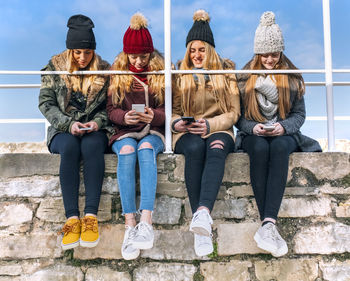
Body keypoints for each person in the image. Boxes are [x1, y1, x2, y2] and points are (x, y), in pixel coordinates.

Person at [236, 11, 322, 257]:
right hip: (254, 134)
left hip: (283, 133)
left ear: (281, 52)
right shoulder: (244, 78)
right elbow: (238, 118)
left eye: (274, 54)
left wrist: (284, 127)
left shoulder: (292, 78)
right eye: (265, 54)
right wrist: (254, 128)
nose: (270, 59)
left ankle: (268, 224)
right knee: (261, 148)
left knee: (281, 148)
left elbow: (299, 116)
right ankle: (269, 226)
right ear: (257, 53)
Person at [171, 10, 240, 257]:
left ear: (209, 50)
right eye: (192, 50)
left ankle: (202, 214)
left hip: (218, 129)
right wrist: (177, 123)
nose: (197, 55)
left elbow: (233, 113)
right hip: (187, 132)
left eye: (201, 50)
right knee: (194, 149)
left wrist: (210, 126)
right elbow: (173, 110)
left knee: (216, 148)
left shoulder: (225, 71)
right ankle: (202, 228)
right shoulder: (179, 73)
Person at [38, 14, 111, 250]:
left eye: (87, 53)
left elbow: (109, 108)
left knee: (91, 147)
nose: (82, 57)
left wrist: (97, 123)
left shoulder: (105, 71)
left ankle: (90, 217)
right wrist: (68, 124)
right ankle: (71, 219)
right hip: (62, 129)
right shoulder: (53, 69)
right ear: (69, 50)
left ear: (93, 51)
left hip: (94, 128)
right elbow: (46, 104)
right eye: (77, 52)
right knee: (69, 147)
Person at [107, 13, 165, 260]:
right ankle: (130, 224)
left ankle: (146, 221)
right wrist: (124, 118)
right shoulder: (117, 72)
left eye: (144, 56)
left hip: (153, 131)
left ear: (151, 53)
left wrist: (155, 116)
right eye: (134, 56)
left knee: (145, 149)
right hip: (125, 132)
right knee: (129, 151)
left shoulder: (162, 72)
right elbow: (110, 110)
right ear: (126, 54)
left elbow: (171, 109)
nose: (139, 61)